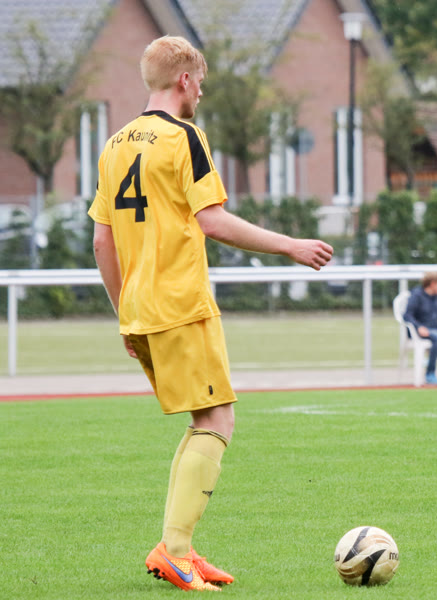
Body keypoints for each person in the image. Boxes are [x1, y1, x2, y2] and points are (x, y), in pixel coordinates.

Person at [89, 36, 333, 591]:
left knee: (205, 419)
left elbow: (102, 241)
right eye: (200, 82)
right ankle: (175, 549)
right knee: (218, 420)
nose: (200, 92)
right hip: (180, 303)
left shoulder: (114, 144)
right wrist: (291, 246)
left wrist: (123, 312)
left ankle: (177, 547)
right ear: (184, 80)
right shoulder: (184, 136)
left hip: (139, 308)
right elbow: (212, 220)